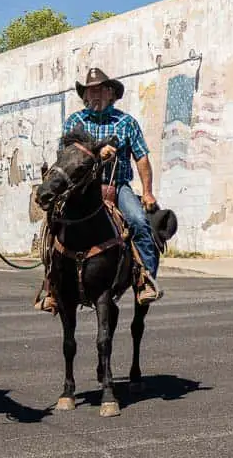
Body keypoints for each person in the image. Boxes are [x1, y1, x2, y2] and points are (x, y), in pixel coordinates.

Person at [36, 67, 163, 312]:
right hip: (79, 187)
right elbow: (68, 154)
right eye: (89, 91)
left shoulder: (126, 123)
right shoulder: (75, 121)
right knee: (52, 223)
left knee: (138, 221)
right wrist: (96, 152)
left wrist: (147, 192)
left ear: (110, 93)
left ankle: (144, 279)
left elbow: (142, 158)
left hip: (117, 185)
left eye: (99, 90)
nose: (93, 95)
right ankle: (51, 285)